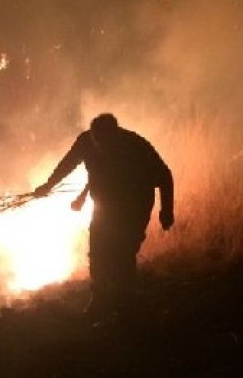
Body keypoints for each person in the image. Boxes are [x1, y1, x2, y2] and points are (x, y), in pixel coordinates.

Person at [34, 113, 174, 319]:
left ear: (116, 135)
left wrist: (166, 210)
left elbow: (164, 175)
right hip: (104, 205)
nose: (102, 147)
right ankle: (100, 298)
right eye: (98, 142)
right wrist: (49, 184)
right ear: (93, 136)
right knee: (98, 250)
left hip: (134, 205)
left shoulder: (135, 146)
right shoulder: (86, 142)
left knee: (123, 253)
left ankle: (124, 304)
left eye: (107, 143)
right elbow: (70, 164)